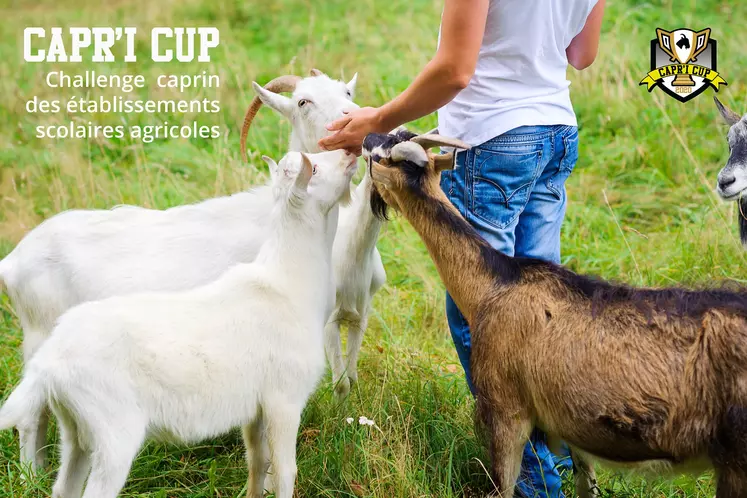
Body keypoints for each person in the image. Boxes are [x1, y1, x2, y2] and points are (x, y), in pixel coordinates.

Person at [319, 0, 605, 496]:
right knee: (544, 318)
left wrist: (380, 121)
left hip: (494, 140)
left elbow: (455, 69)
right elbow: (581, 53)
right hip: (556, 131)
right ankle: (565, 466)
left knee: (487, 321)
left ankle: (535, 486)